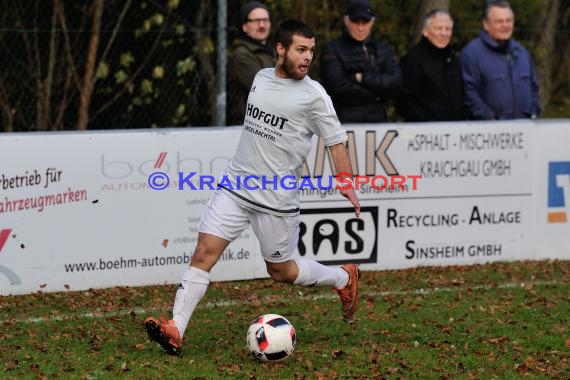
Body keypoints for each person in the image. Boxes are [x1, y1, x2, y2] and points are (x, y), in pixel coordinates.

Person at [145, 20, 362, 356]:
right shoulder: (261, 78)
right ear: (281, 48)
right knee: (204, 252)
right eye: (300, 49)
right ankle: (176, 329)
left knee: (281, 271)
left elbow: (335, 141)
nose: (307, 57)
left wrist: (345, 182)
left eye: (311, 51)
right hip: (236, 186)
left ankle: (343, 278)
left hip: (275, 199)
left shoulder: (314, 96)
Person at [320, 0, 402, 124]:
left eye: (365, 22)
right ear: (346, 21)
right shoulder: (332, 49)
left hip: (379, 122)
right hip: (344, 123)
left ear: (372, 22)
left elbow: (396, 82)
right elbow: (338, 87)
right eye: (355, 22)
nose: (360, 28)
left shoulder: (383, 48)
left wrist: (363, 78)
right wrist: (378, 95)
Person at [460, 0, 540, 120]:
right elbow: (468, 93)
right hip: (489, 133)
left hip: (525, 129)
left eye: (509, 20)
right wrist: (491, 120)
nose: (505, 25)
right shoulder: (471, 54)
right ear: (486, 24)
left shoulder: (522, 52)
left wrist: (533, 112)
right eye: (499, 21)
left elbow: (534, 87)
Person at [397, 9, 465, 122]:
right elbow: (404, 100)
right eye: (438, 28)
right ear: (425, 31)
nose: (443, 33)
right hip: (424, 133)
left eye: (447, 29)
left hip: (454, 131)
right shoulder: (414, 60)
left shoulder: (453, 59)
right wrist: (427, 122)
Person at [227, 1, 275, 125]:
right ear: (244, 27)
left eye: (265, 20)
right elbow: (266, 91)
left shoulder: (273, 52)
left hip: (271, 126)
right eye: (256, 21)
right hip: (250, 128)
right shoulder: (242, 56)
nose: (262, 25)